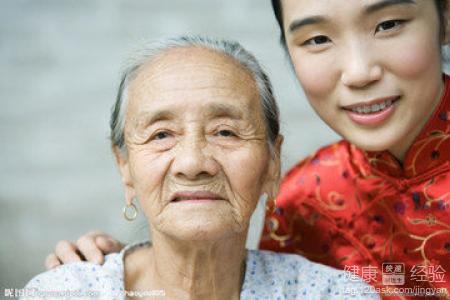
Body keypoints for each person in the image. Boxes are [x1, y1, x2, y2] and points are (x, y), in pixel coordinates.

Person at [44, 0, 450, 298]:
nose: (359, 72)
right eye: (318, 38)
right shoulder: (308, 197)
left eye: (389, 24)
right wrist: (121, 272)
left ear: (445, 17)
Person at [23, 36, 379, 300]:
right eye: (161, 134)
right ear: (125, 167)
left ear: (272, 163)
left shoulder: (333, 294)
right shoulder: (63, 292)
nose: (193, 164)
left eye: (225, 132)